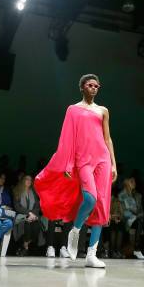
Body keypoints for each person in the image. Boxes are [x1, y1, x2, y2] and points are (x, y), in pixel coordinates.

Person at [35, 74, 117, 268]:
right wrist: (68, 164)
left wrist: (113, 163)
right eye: (90, 85)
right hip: (83, 160)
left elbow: (107, 139)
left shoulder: (103, 110)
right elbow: (67, 138)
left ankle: (91, 255)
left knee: (102, 206)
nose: (94, 88)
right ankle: (76, 229)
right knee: (90, 199)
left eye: (97, 85)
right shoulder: (73, 110)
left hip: (103, 159)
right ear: (82, 87)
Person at [13, 175, 42, 256]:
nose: (29, 181)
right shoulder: (17, 191)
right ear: (23, 181)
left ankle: (25, 245)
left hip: (33, 215)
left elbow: (37, 206)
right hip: (21, 216)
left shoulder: (34, 192)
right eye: (27, 179)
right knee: (27, 223)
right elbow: (17, 207)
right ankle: (25, 246)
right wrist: (29, 214)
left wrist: (33, 215)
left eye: (30, 180)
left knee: (37, 225)